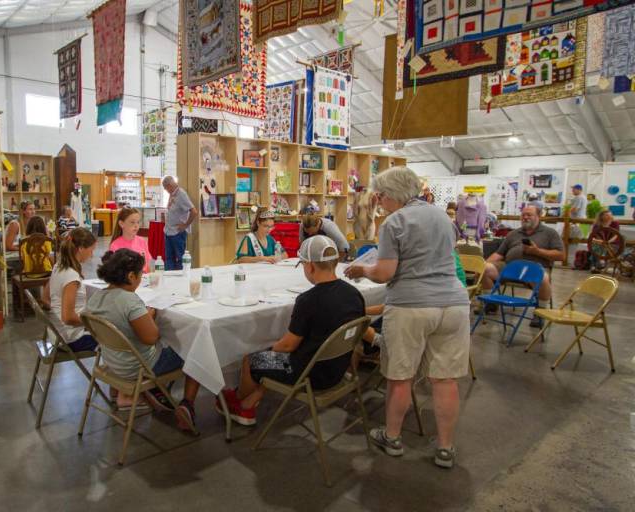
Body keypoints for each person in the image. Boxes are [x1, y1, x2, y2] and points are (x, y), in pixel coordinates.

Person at [344, 166, 471, 469]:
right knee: (445, 379)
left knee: (400, 377)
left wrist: (362, 270)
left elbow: (385, 272)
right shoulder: (442, 216)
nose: (380, 201)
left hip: (412, 304)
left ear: (391, 195)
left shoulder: (395, 222)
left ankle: (392, 437)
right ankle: (445, 448)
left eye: (381, 196)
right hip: (453, 303)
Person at [220, 236, 365, 426]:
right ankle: (250, 400)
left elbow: (288, 345)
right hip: (338, 368)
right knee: (271, 356)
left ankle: (240, 405)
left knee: (252, 359)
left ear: (310, 266)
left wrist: (266, 350)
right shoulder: (353, 294)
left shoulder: (308, 300)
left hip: (308, 373)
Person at [85, 249, 200, 429]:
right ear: (131, 276)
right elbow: (151, 338)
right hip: (139, 367)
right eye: (140, 275)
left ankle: (156, 392)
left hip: (112, 362)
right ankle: (188, 404)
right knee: (196, 348)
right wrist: (149, 316)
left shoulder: (96, 297)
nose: (140, 279)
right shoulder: (130, 301)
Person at [480, 204, 564, 327]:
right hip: (510, 268)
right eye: (523, 215)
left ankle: (540, 312)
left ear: (539, 216)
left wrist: (537, 251)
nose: (525, 217)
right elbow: (499, 254)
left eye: (529, 215)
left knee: (544, 277)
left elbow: (561, 255)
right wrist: (484, 263)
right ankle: (491, 304)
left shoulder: (550, 233)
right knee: (484, 269)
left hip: (535, 269)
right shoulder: (513, 234)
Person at [42, 228, 98, 353]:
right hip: (71, 340)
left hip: (56, 334)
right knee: (116, 340)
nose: (92, 254)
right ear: (81, 249)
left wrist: (57, 312)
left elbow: (45, 298)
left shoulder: (58, 266)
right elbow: (68, 317)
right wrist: (93, 323)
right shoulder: (71, 277)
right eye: (91, 250)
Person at [162, 176, 198, 270]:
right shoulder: (172, 194)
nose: (166, 191)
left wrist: (186, 225)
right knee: (169, 258)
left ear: (169, 186)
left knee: (180, 259)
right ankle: (170, 279)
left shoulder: (181, 194)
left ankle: (181, 280)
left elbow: (194, 211)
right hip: (168, 231)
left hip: (177, 233)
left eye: (165, 188)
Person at [109, 207, 153, 273]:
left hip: (144, 279)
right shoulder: (115, 245)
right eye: (132, 222)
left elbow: (148, 265)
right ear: (121, 224)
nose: (136, 225)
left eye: (138, 222)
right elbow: (115, 271)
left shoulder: (142, 241)